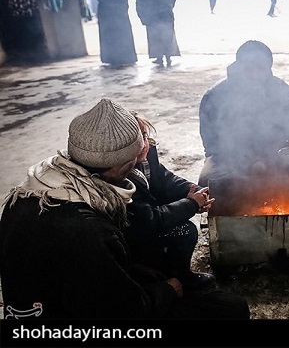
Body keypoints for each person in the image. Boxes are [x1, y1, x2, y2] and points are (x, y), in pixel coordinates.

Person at [0, 99, 250, 319]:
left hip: (53, 300)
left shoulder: (33, 191)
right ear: (127, 164)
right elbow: (122, 311)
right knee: (231, 309)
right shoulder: (88, 229)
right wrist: (167, 289)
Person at [126, 112, 216, 290]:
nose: (145, 144)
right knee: (186, 230)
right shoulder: (123, 173)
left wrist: (192, 191)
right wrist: (191, 204)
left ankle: (175, 274)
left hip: (147, 219)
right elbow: (149, 219)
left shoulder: (146, 157)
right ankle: (173, 279)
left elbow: (165, 179)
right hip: (132, 233)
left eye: (145, 136)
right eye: (138, 139)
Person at [198, 40, 289, 185]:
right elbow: (212, 143)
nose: (255, 74)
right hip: (229, 158)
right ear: (239, 66)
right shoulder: (216, 95)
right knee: (210, 181)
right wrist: (248, 162)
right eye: (249, 68)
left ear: (269, 68)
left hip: (274, 153)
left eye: (261, 68)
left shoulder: (282, 90)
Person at [135, 0, 181, 67]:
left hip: (151, 15)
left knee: (155, 37)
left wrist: (142, 15)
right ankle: (168, 56)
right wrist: (169, 6)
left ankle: (159, 57)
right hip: (166, 13)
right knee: (167, 35)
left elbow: (139, 0)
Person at [93, 0, 137, 66]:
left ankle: (111, 58)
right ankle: (126, 57)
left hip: (106, 11)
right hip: (118, 11)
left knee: (109, 36)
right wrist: (124, 8)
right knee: (122, 35)